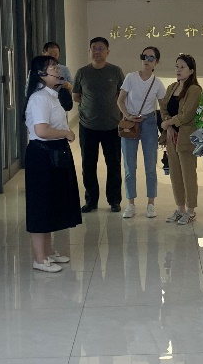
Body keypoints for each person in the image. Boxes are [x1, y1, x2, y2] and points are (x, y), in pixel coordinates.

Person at [23, 55, 82, 272]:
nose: (58, 71)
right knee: (41, 205)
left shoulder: (52, 95)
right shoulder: (39, 98)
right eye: (53, 68)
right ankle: (39, 259)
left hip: (54, 153)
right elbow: (41, 130)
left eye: (57, 68)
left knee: (51, 203)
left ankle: (48, 252)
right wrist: (66, 133)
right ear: (41, 74)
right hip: (42, 155)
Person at [72, 37, 124, 213]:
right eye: (94, 48)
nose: (97, 51)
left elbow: (122, 94)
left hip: (112, 126)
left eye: (101, 48)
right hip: (88, 126)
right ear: (89, 51)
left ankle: (114, 200)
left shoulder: (115, 71)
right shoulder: (82, 72)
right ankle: (91, 200)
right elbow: (76, 95)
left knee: (114, 165)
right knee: (88, 165)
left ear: (108, 52)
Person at [117, 46, 165, 219]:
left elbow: (163, 107)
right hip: (131, 122)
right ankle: (130, 203)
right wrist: (127, 115)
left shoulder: (157, 83)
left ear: (156, 62)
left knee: (150, 165)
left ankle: (151, 203)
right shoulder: (130, 77)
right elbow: (120, 100)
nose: (146, 60)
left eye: (151, 58)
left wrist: (166, 126)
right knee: (129, 166)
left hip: (149, 123)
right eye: (144, 56)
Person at [159, 54, 203, 225]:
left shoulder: (194, 90)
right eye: (177, 66)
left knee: (188, 174)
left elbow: (186, 115)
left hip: (186, 137)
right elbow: (163, 108)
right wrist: (168, 126)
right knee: (175, 174)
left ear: (191, 70)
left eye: (182, 67)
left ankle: (191, 210)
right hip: (171, 137)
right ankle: (180, 208)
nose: (178, 70)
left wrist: (168, 122)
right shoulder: (172, 87)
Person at [43, 41, 74, 110]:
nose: (53, 57)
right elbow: (29, 89)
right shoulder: (36, 70)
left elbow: (72, 85)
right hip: (43, 105)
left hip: (60, 105)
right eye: (50, 54)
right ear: (44, 54)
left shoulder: (64, 69)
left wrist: (68, 86)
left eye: (56, 55)